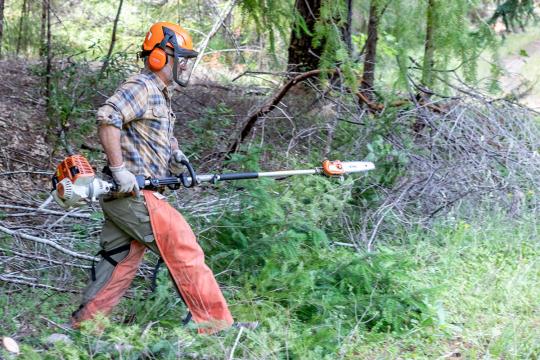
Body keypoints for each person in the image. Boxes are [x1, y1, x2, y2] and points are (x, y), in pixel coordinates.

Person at [71, 22, 238, 334]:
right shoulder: (143, 87)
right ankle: (216, 328)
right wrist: (120, 170)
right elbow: (109, 117)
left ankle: (85, 329)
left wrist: (174, 155)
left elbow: (147, 136)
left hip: (129, 197)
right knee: (183, 248)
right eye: (181, 57)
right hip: (134, 195)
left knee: (119, 261)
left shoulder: (161, 95)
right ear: (161, 57)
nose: (185, 63)